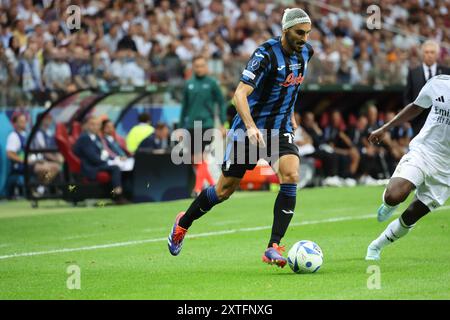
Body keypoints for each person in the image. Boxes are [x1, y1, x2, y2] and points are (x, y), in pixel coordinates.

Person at [168, 8, 314, 268]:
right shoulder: (265, 54)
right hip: (249, 130)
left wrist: (290, 113)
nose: (304, 38)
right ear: (285, 30)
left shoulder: (306, 53)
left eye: (307, 33)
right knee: (224, 190)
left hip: (278, 129)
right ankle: (183, 223)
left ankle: (273, 246)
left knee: (291, 175)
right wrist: (250, 126)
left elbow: (292, 86)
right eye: (299, 32)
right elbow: (239, 95)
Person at [365, 75, 450, 261]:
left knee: (411, 215)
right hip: (424, 152)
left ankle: (376, 245)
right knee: (393, 195)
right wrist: (385, 128)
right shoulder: (439, 83)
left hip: (447, 172)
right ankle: (388, 205)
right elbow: (416, 106)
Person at [179, 55, 226, 197]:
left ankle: (198, 189)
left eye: (201, 65)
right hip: (191, 126)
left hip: (206, 124)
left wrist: (222, 123)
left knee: (200, 156)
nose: (199, 68)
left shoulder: (212, 83)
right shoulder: (189, 84)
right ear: (193, 67)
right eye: (197, 66)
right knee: (196, 159)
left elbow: (221, 102)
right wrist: (181, 127)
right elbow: (184, 107)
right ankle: (212, 185)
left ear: (206, 67)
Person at [73, 116, 129, 204]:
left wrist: (114, 159)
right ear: (86, 126)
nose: (95, 127)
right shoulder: (84, 139)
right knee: (115, 168)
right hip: (90, 167)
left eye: (97, 125)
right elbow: (93, 158)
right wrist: (110, 162)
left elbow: (104, 152)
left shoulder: (96, 137)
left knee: (122, 167)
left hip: (99, 164)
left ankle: (125, 193)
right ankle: (118, 195)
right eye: (92, 124)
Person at [404, 40, 450, 137]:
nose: (429, 55)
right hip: (417, 121)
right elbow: (407, 96)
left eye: (432, 52)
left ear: (437, 55)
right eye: (426, 52)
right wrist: (409, 118)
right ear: (422, 54)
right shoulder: (413, 72)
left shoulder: (446, 71)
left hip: (440, 122)